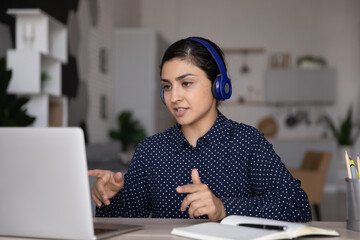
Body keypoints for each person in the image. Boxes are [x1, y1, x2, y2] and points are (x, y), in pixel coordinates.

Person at [88, 37, 312, 222]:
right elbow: (124, 222)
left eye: (186, 83)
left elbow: (297, 208)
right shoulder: (150, 150)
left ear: (219, 86)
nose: (174, 97)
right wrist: (110, 197)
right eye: (167, 86)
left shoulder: (247, 142)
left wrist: (223, 208)